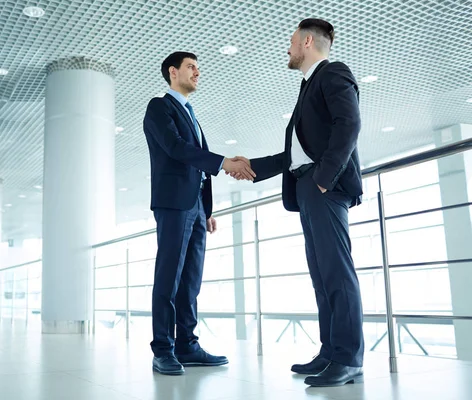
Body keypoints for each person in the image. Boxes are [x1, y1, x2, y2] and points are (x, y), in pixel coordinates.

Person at [230, 18, 365, 387]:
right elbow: (295, 154)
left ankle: (349, 358)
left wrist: (323, 180)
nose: (288, 48)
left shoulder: (333, 72)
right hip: (308, 188)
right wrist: (251, 167)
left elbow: (349, 125)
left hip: (325, 187)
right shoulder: (308, 87)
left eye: (292, 41)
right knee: (322, 276)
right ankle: (330, 352)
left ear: (307, 41)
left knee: (337, 273)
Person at [143, 51, 255, 375]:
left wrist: (206, 209)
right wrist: (224, 162)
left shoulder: (192, 114)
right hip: (173, 204)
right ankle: (162, 349)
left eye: (198, 68)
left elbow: (196, 164)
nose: (197, 72)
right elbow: (178, 149)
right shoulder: (159, 107)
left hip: (195, 207)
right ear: (172, 71)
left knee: (191, 279)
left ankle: (187, 345)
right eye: (191, 67)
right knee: (169, 276)